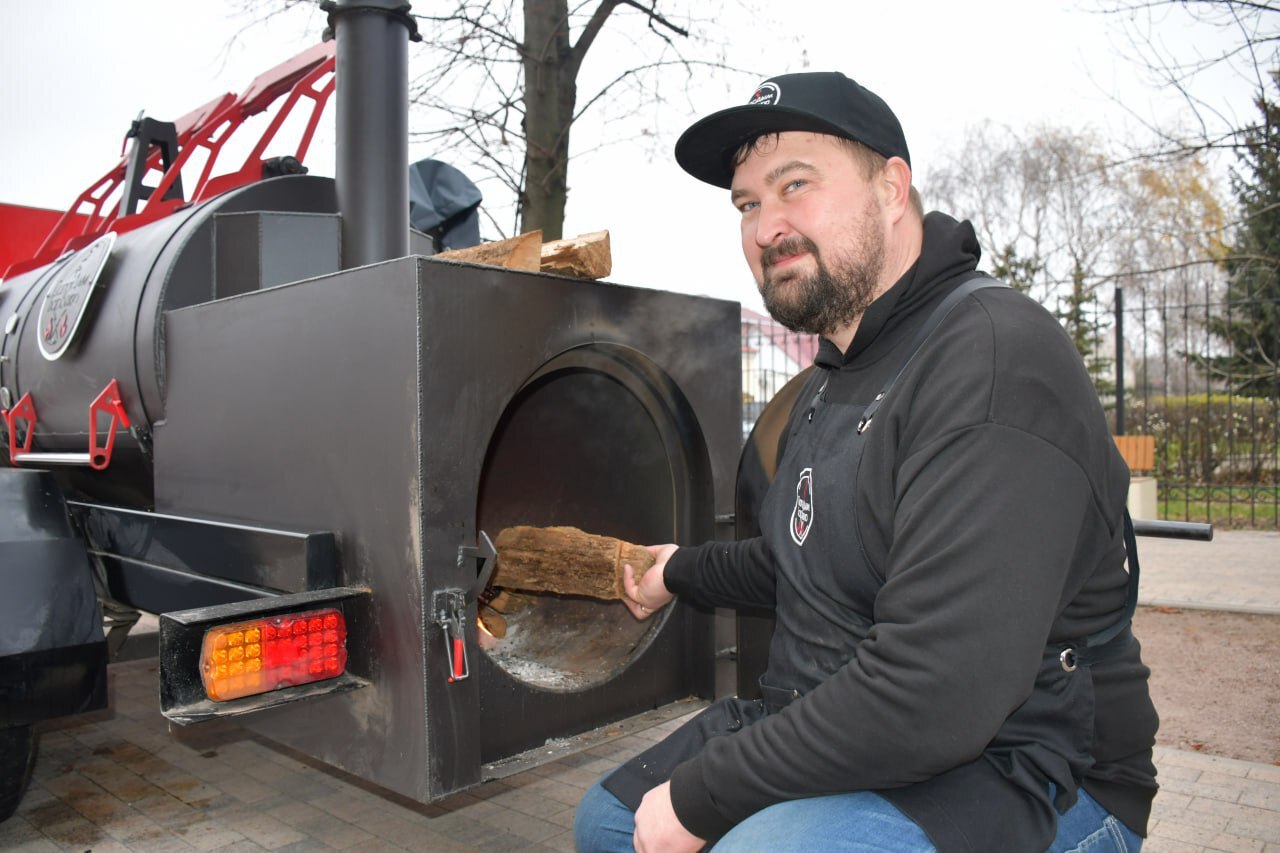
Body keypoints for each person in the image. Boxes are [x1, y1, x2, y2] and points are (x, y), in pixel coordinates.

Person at [572, 71, 1159, 853]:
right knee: (609, 821)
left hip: (1024, 770)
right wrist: (676, 571)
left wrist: (708, 793)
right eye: (747, 203)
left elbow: (936, 688)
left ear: (891, 188)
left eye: (795, 186)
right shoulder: (832, 379)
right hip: (859, 724)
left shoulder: (989, 358)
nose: (765, 225)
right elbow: (804, 559)